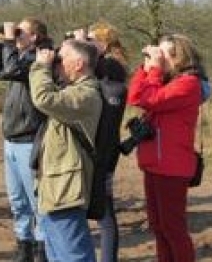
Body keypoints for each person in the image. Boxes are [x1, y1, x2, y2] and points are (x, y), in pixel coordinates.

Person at [126, 34, 208, 262]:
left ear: (177, 57)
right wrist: (146, 69)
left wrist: (152, 70)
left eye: (162, 55)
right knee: (158, 227)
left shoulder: (188, 84)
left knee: (173, 228)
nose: (158, 59)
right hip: (155, 164)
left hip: (172, 167)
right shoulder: (169, 81)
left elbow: (148, 99)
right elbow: (134, 96)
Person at [29, 39, 102, 262]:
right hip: (55, 187)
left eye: (62, 59)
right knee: (58, 255)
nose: (57, 64)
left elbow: (43, 98)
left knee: (73, 256)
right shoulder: (71, 92)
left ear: (79, 63)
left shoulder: (86, 95)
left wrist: (40, 67)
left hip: (66, 190)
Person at [0, 18, 49, 262]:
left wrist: (9, 42)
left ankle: (41, 247)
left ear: (35, 36)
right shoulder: (19, 57)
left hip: (29, 138)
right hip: (11, 139)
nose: (16, 36)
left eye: (21, 32)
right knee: (17, 200)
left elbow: (10, 70)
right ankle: (23, 244)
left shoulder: (37, 59)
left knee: (35, 199)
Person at [87, 22, 128, 262]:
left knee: (104, 209)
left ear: (103, 43)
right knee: (101, 207)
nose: (87, 43)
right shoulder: (107, 64)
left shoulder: (113, 67)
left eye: (91, 39)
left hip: (104, 147)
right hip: (102, 143)